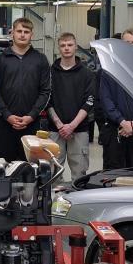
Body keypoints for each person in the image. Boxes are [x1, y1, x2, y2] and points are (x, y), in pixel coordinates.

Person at [0, 18, 51, 161]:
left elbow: (45, 91)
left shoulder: (41, 60)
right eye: (19, 31)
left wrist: (31, 116)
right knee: (3, 169)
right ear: (12, 33)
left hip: (32, 125)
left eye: (26, 32)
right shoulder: (0, 59)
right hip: (5, 125)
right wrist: (7, 115)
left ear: (32, 35)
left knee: (30, 169)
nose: (22, 35)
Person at [99, 29, 133, 171]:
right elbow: (106, 100)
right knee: (114, 177)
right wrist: (122, 122)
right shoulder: (108, 70)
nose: (130, 46)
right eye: (127, 43)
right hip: (115, 131)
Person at [49, 32, 97, 181]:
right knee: (53, 173)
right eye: (63, 45)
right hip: (55, 130)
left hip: (80, 130)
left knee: (79, 173)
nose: (66, 48)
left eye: (70, 45)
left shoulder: (87, 74)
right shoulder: (50, 73)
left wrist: (72, 126)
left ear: (76, 46)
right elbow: (47, 100)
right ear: (59, 48)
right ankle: (55, 203)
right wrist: (60, 125)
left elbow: (89, 101)